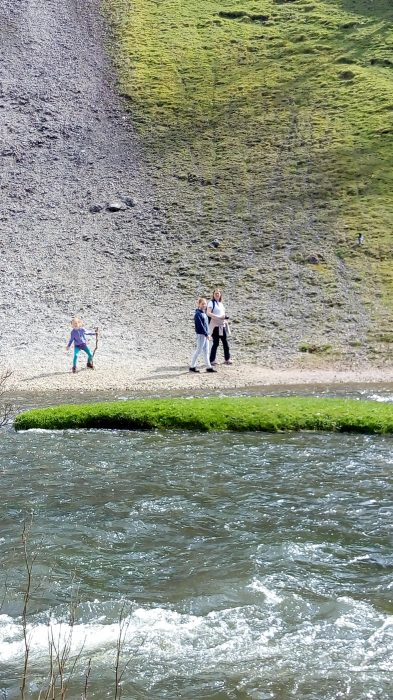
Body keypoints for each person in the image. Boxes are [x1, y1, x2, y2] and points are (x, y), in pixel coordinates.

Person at [189, 298, 217, 373]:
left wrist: (208, 333)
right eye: (202, 304)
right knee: (198, 350)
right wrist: (206, 334)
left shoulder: (204, 313)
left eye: (205, 303)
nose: (204, 305)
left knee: (206, 351)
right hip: (201, 335)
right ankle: (192, 366)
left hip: (205, 334)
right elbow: (200, 326)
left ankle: (208, 367)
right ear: (198, 304)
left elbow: (206, 325)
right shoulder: (197, 314)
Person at [207, 288, 232, 365]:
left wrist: (224, 318)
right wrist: (218, 317)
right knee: (216, 343)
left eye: (218, 293)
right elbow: (208, 313)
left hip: (222, 325)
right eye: (215, 293)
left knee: (225, 342)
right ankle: (212, 360)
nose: (217, 294)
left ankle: (227, 359)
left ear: (220, 294)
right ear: (213, 295)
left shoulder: (221, 303)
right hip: (215, 325)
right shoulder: (211, 303)